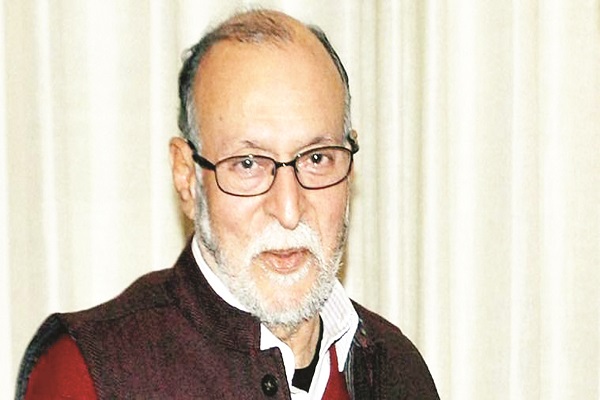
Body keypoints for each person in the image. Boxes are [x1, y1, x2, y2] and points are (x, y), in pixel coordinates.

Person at [16, 9, 439, 399]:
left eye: (316, 159)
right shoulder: (88, 375)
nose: (288, 210)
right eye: (248, 163)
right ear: (187, 176)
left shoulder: (396, 369)